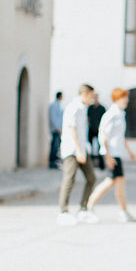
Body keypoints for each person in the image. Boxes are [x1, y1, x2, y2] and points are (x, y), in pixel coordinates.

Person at [87, 88, 136, 222]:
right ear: (116, 99)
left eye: (126, 97)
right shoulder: (112, 114)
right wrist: (108, 156)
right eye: (123, 97)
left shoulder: (121, 113)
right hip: (112, 154)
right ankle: (89, 206)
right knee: (110, 182)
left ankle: (123, 211)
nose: (126, 100)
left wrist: (130, 152)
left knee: (118, 182)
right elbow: (104, 136)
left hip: (117, 153)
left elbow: (121, 136)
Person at [57, 84, 98, 225]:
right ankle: (63, 212)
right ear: (84, 94)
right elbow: (72, 130)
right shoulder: (73, 108)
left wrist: (84, 149)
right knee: (69, 179)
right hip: (72, 150)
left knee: (91, 178)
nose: (92, 99)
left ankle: (83, 209)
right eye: (91, 96)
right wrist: (79, 151)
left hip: (82, 150)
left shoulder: (83, 108)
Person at [87, 94, 106, 170]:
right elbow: (88, 117)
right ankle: (90, 164)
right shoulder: (90, 108)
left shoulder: (102, 108)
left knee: (100, 146)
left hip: (99, 130)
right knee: (90, 147)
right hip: (91, 129)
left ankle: (101, 164)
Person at [48, 91, 63, 169]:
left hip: (58, 129)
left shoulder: (58, 105)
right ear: (60, 96)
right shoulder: (54, 105)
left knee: (56, 147)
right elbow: (53, 118)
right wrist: (58, 128)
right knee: (54, 146)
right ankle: (52, 163)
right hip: (55, 129)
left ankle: (55, 162)